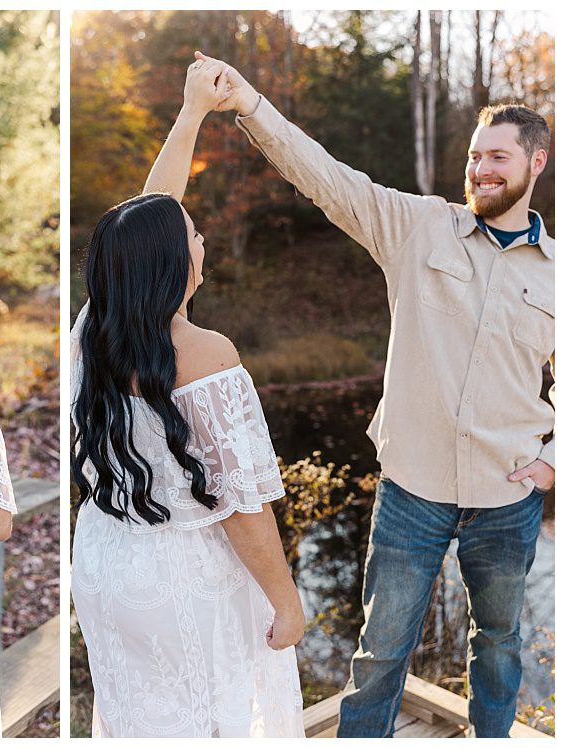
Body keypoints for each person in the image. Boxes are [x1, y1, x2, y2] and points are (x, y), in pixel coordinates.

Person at [195, 49, 555, 737]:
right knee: (381, 655)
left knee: (501, 649)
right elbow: (326, 178)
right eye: (475, 156)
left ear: (536, 164)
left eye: (498, 158)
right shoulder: (419, 227)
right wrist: (251, 107)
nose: (480, 168)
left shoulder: (559, 273)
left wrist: (552, 464)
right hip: (411, 493)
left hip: (508, 503)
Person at [70, 58, 305, 738]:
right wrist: (286, 601)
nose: (200, 238)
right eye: (194, 236)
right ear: (178, 262)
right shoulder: (205, 353)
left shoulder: (92, 334)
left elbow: (147, 216)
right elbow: (241, 505)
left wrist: (192, 110)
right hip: (187, 574)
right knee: (215, 720)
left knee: (142, 718)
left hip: (110, 562)